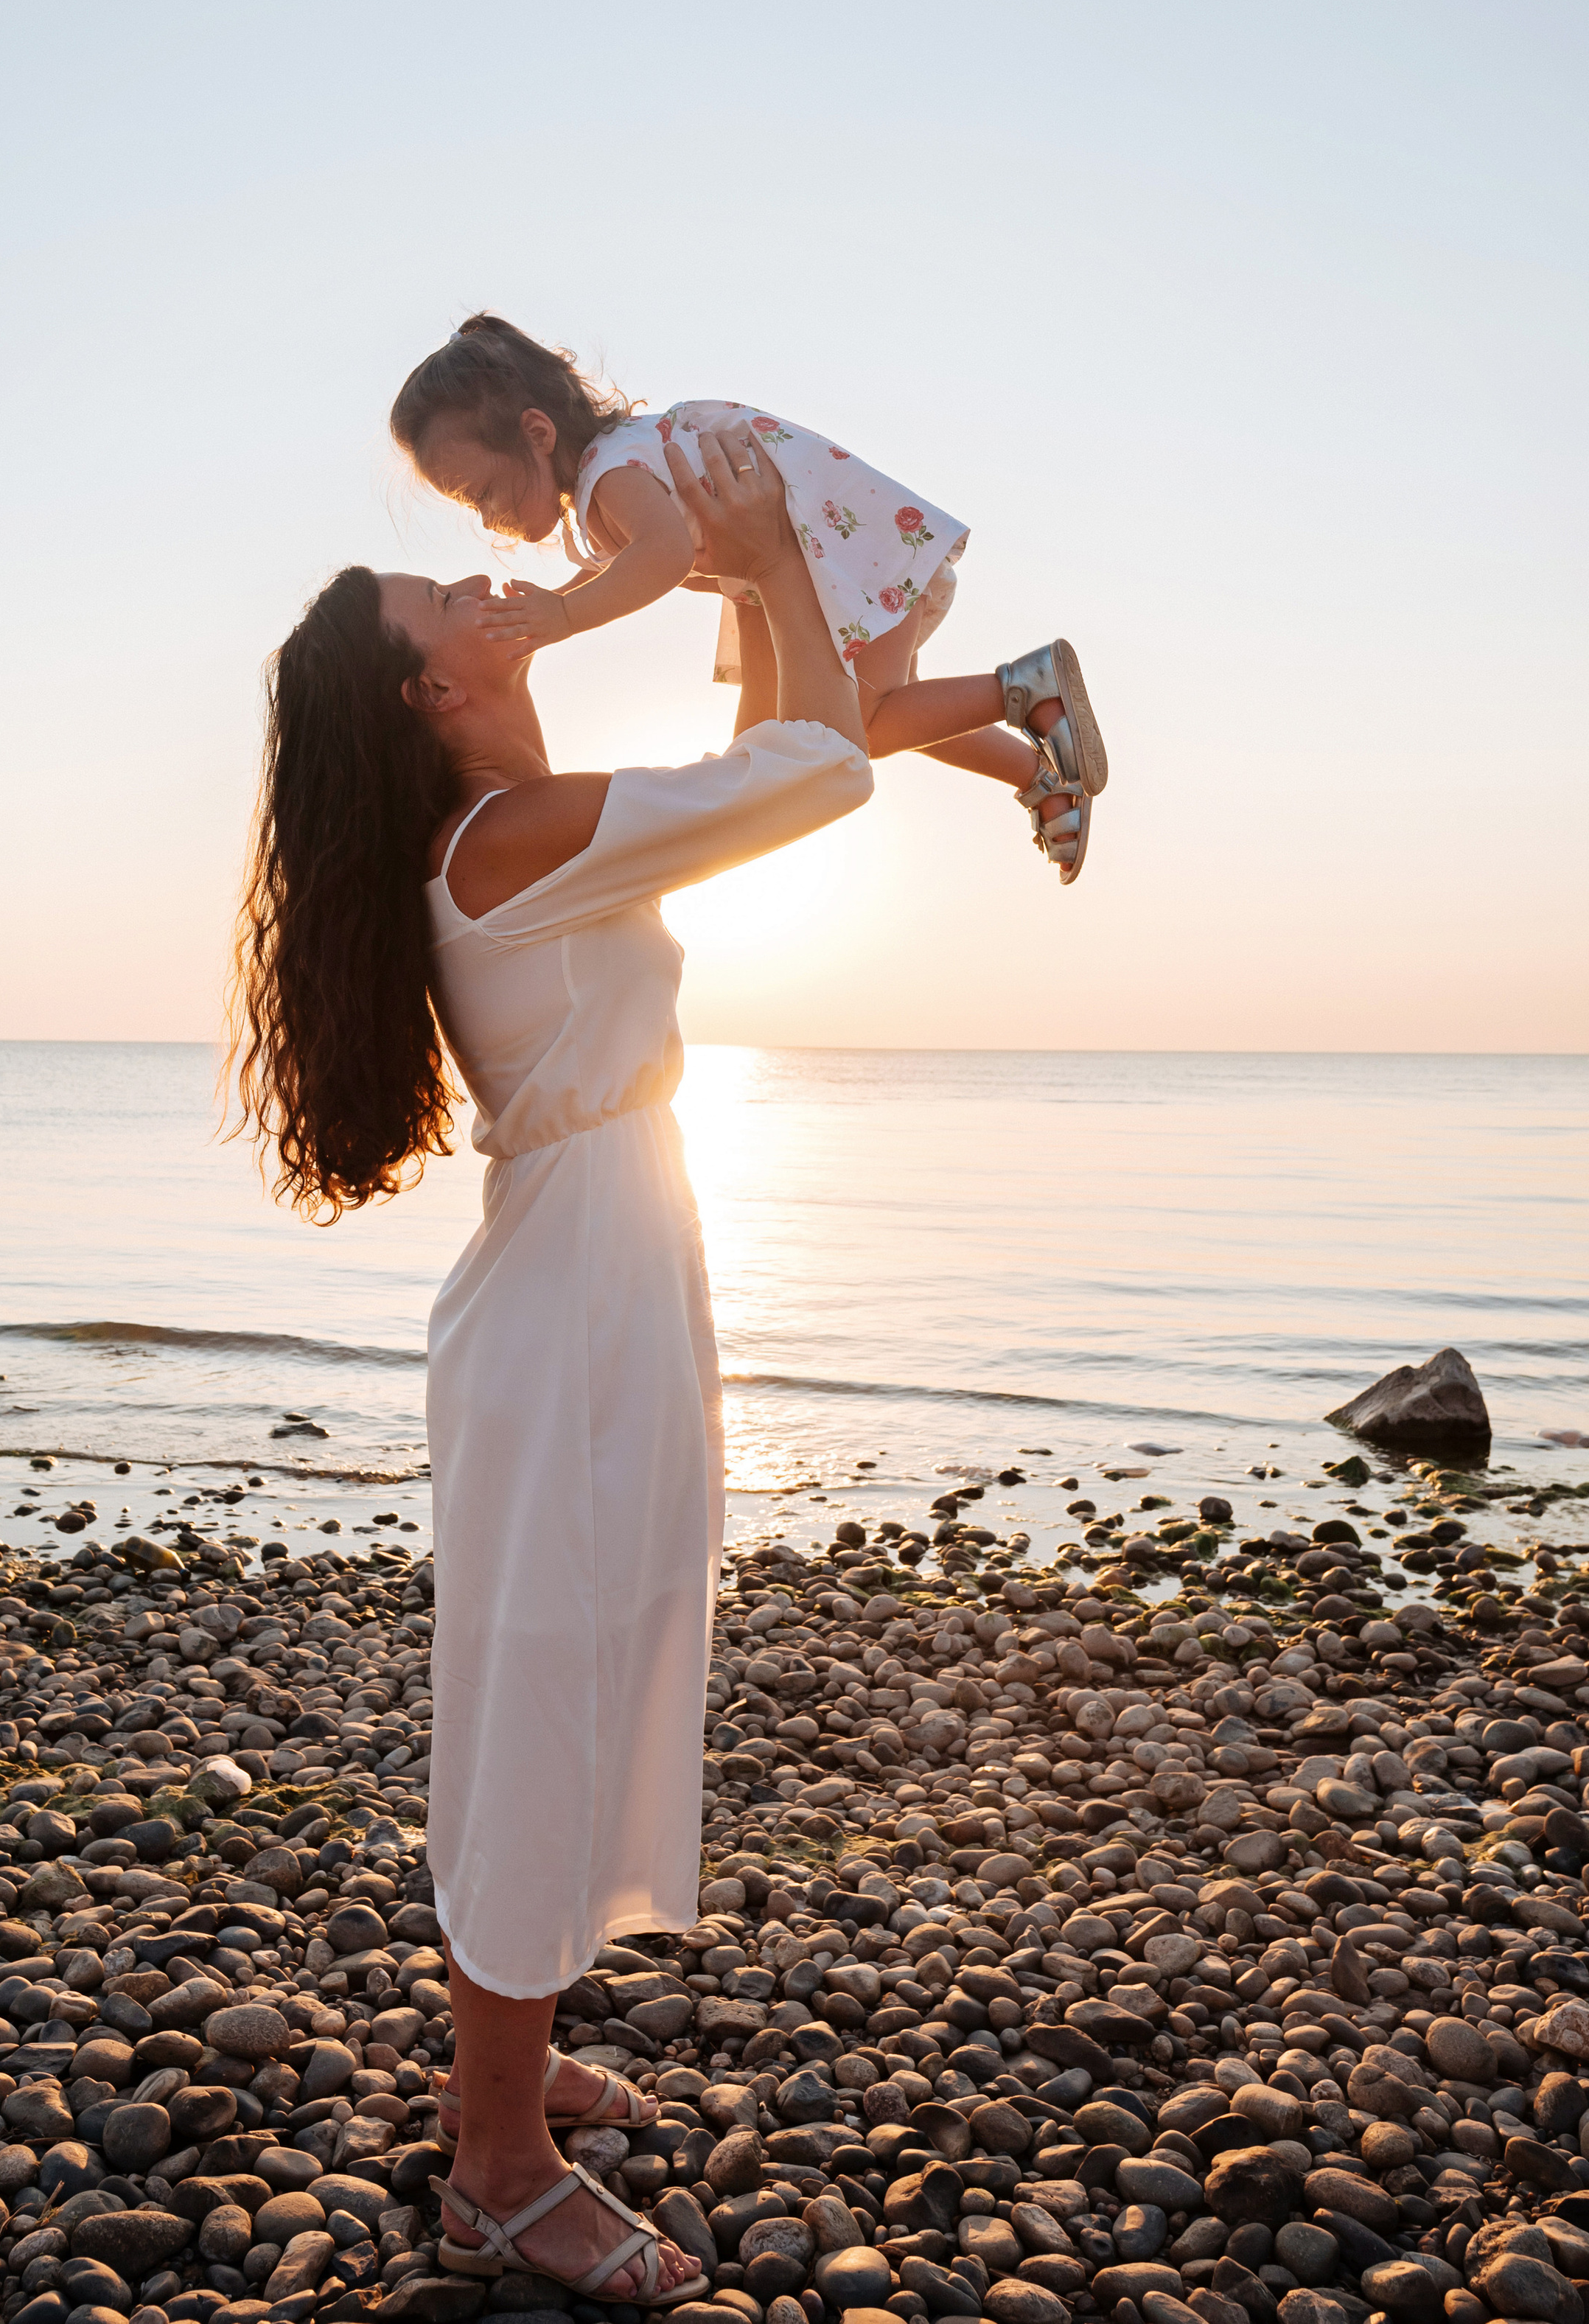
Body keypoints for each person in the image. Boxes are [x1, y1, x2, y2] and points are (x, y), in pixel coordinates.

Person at [227, 427, 872, 2304]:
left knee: (571, 1661)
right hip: (576, 1284)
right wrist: (769, 562)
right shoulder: (505, 838)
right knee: (534, 1696)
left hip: (599, 1255)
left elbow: (763, 758)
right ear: (431, 686)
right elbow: (815, 768)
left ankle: (500, 2068)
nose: (478, 581)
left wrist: (752, 585)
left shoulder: (523, 814)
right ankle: (495, 2169)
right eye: (441, 596)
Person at [390, 310, 1108, 883]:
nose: (489, 520)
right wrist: (563, 598)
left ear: (537, 434)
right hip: (823, 565)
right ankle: (1038, 777)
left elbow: (663, 554)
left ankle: (1028, 690)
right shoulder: (610, 473)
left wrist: (569, 616)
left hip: (838, 559)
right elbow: (637, 552)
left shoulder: (613, 475)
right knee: (809, 736)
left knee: (847, 733)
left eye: (484, 492)